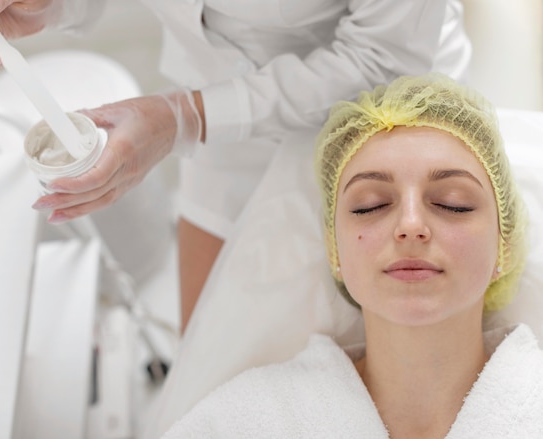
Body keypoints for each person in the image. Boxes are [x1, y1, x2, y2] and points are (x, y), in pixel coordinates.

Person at [0, 0, 472, 332]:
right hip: (216, 107)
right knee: (208, 358)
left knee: (375, 349)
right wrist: (43, 5)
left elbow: (380, 58)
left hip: (380, 118)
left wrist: (187, 116)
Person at [159, 73, 543, 438]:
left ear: (504, 245)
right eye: (370, 206)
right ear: (334, 250)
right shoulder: (237, 425)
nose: (410, 225)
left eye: (452, 203)